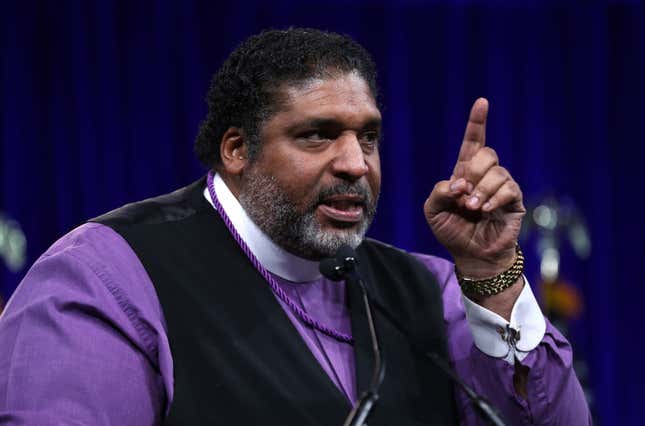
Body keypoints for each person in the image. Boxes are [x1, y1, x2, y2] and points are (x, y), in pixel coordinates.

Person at [0, 28, 590, 425]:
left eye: (369, 137)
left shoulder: (428, 291)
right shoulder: (105, 278)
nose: (356, 164)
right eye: (318, 134)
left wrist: (493, 273)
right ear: (236, 149)